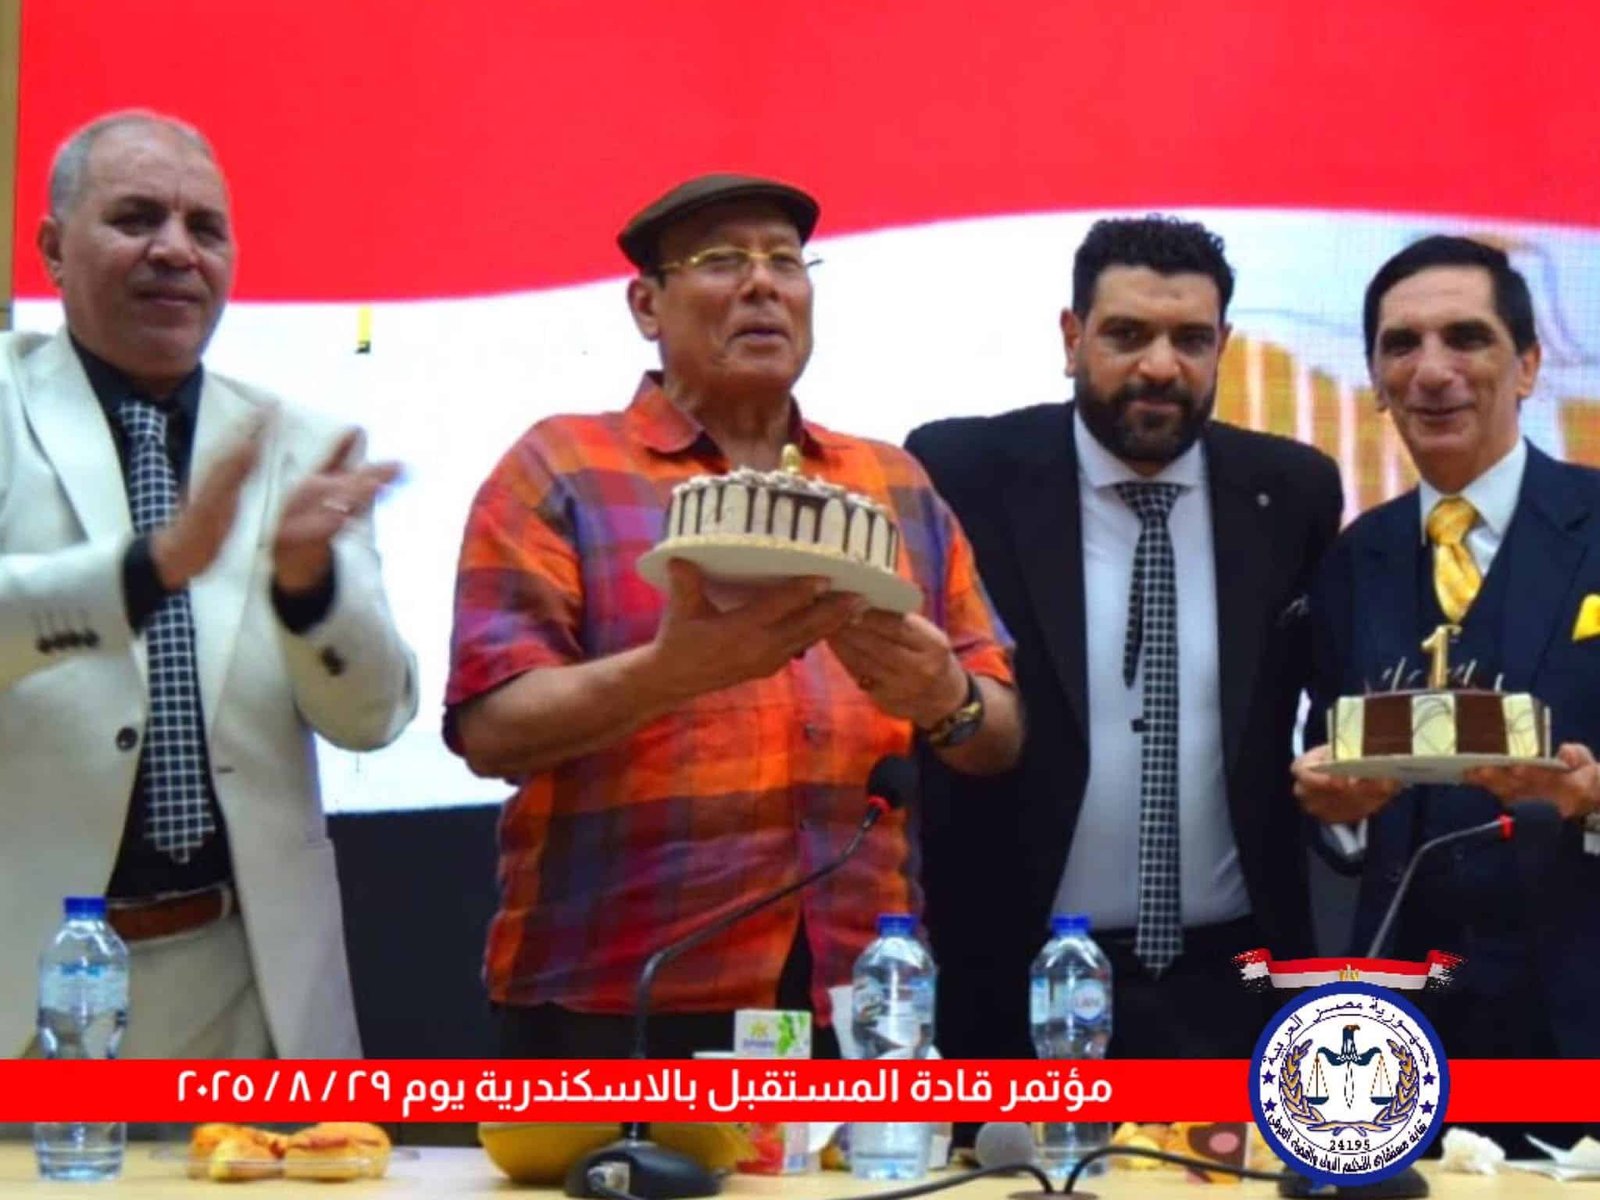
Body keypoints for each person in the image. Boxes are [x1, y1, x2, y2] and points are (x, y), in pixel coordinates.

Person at [444, 173, 1021, 1059]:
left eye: (785, 262)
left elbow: (999, 733)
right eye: (722, 261)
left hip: (861, 1001)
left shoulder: (891, 484)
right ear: (646, 304)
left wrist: (948, 697)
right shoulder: (561, 467)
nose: (762, 285)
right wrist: (672, 673)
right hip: (620, 1006)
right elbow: (490, 732)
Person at [0, 111, 417, 1059]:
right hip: (23, 986)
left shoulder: (302, 444)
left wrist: (310, 594)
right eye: (137, 218)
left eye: (206, 228)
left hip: (249, 988)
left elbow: (373, 718)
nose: (176, 251)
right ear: (53, 250)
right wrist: (146, 571)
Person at [907, 216, 1343, 1065]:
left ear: (1223, 347)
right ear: (1072, 338)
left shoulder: (1292, 491)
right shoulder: (962, 471)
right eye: (1127, 334)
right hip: (1010, 975)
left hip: (1235, 978)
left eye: (1191, 339)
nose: (1160, 366)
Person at [1293, 236, 1600, 1076]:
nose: (1432, 371)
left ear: (1528, 366)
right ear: (1375, 380)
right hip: (1403, 1026)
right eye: (1402, 345)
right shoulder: (1351, 561)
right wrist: (1340, 811)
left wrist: (1593, 801)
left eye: (1466, 338)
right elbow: (1334, 776)